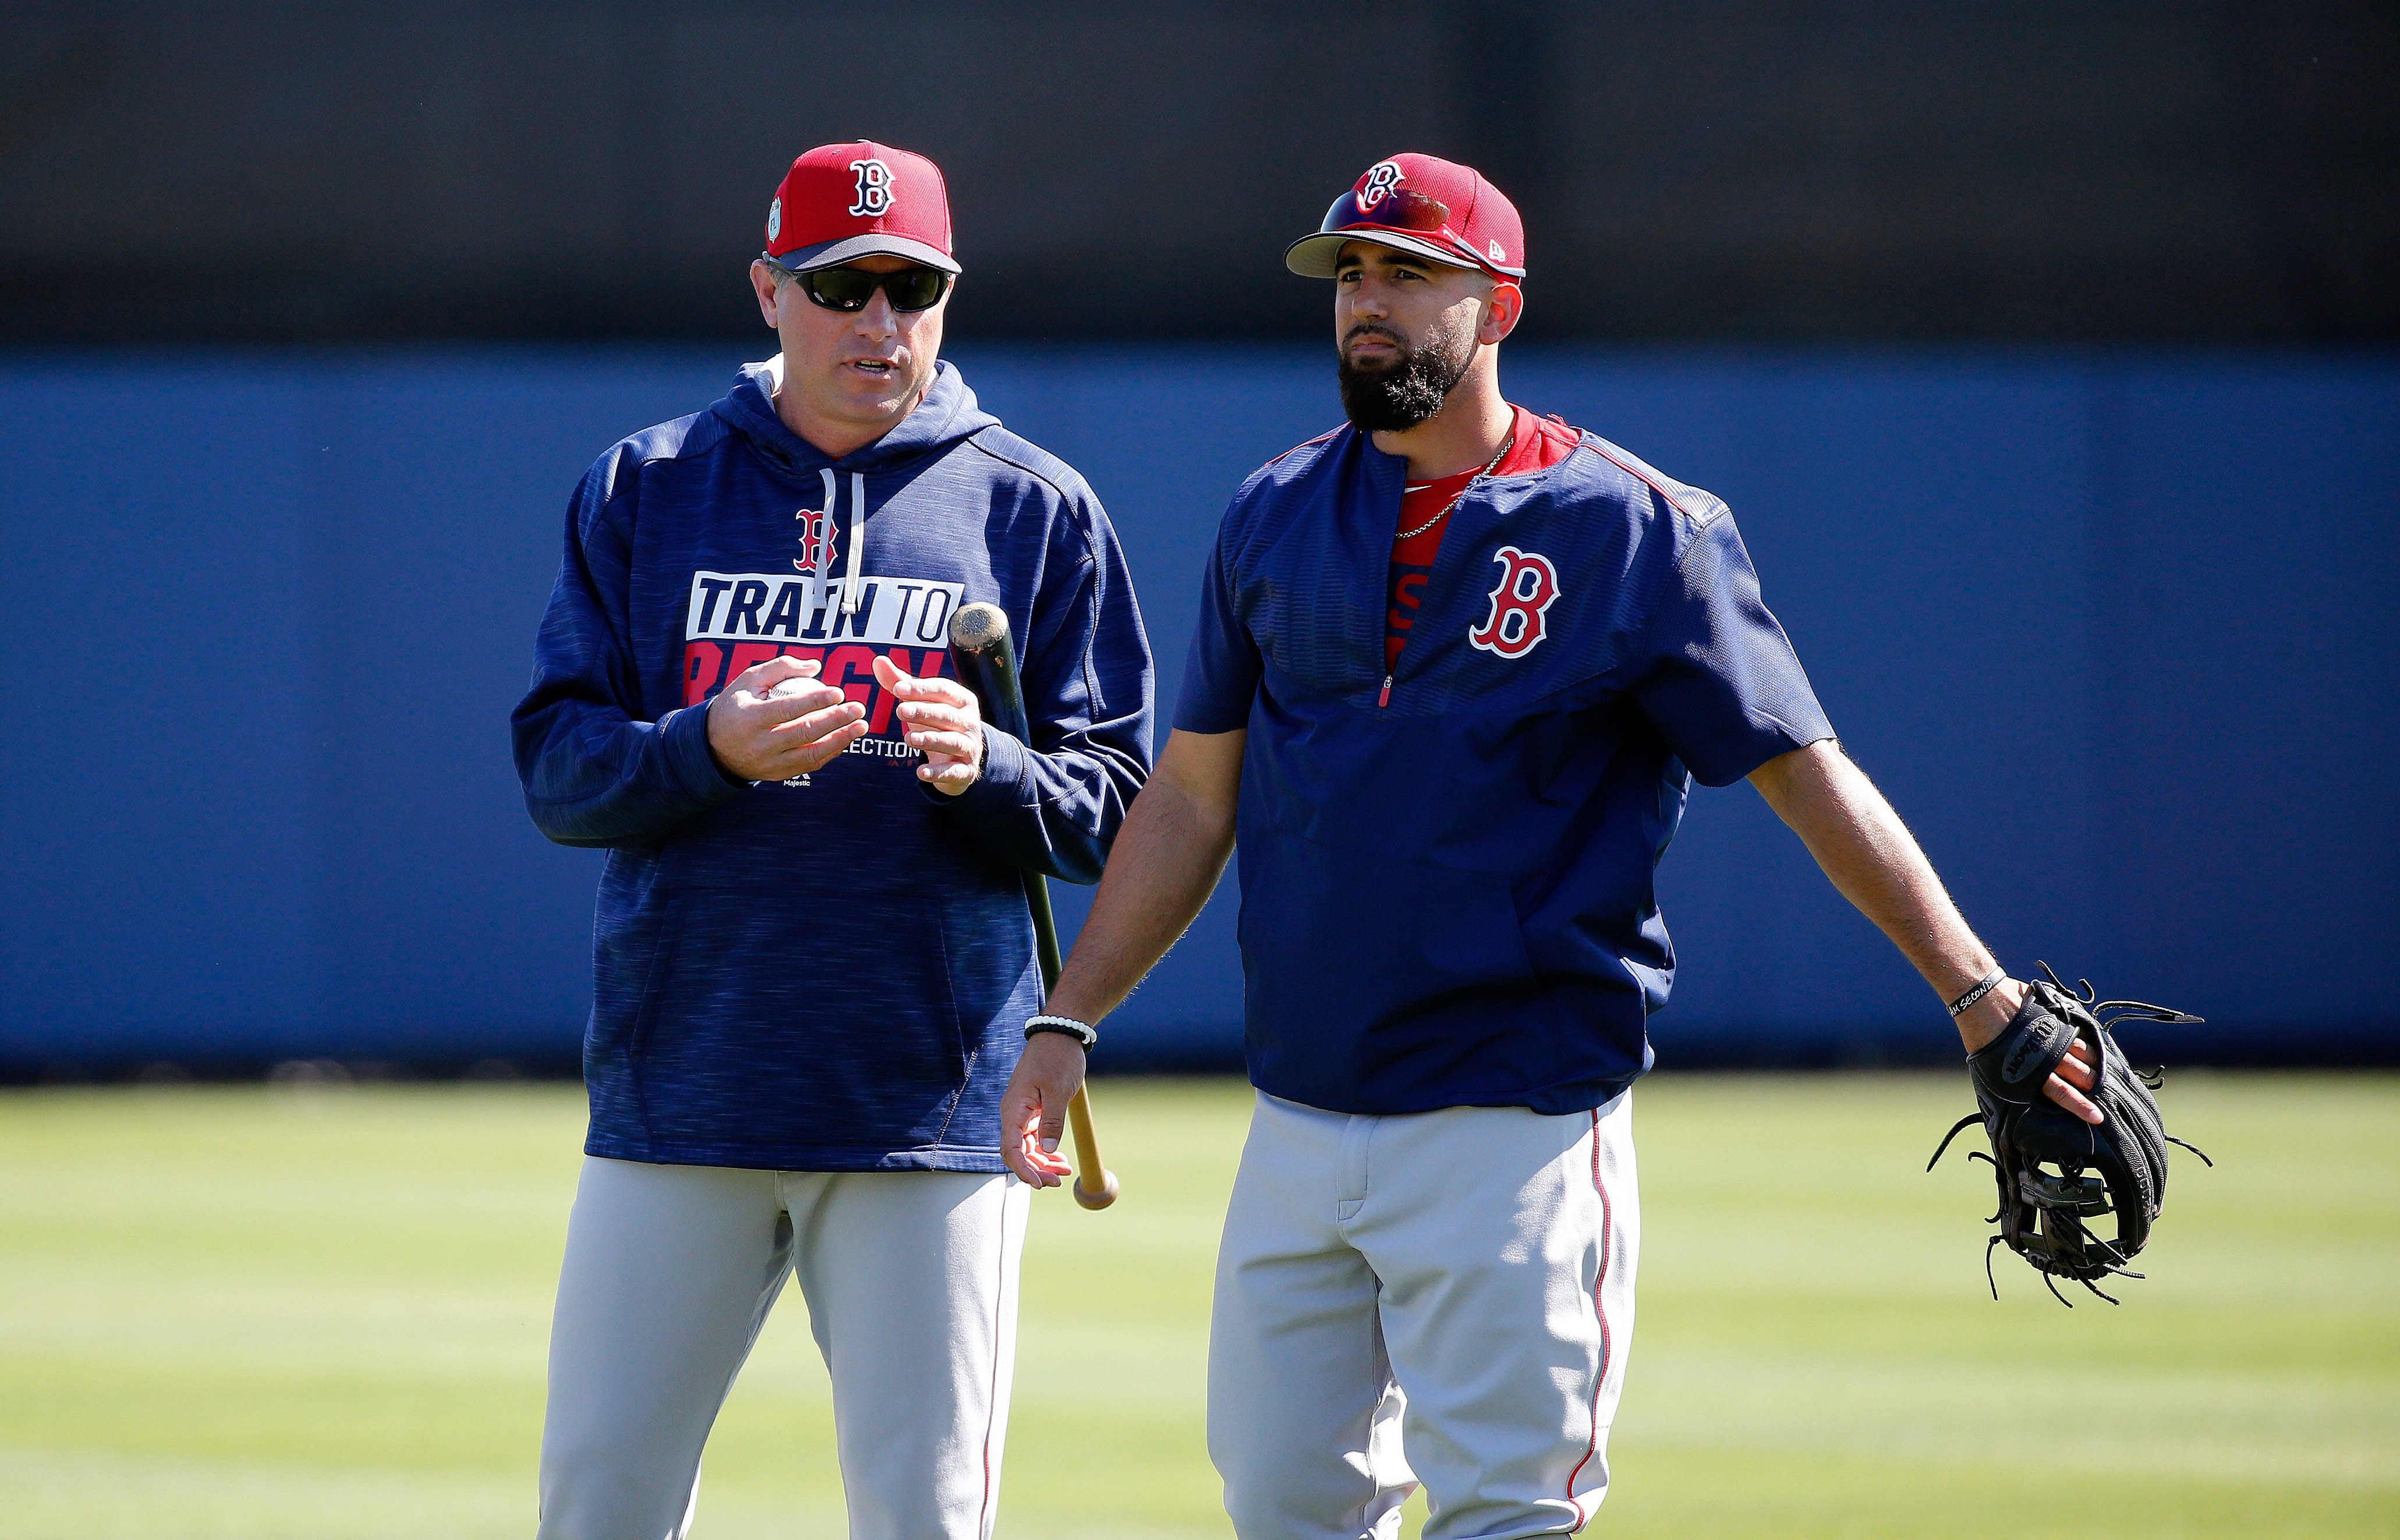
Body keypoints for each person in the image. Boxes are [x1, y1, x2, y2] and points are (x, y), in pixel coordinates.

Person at [998, 153, 2107, 1540]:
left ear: (1498, 305)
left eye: (1409, 272)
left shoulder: (1641, 531)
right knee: (1281, 1507)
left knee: (1508, 1516)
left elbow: (1807, 778)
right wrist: (1070, 1017)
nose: (1367, 303)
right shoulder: (1273, 510)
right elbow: (1189, 801)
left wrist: (1978, 992)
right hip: (1298, 1111)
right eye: (1350, 273)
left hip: (1512, 1125)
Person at [512, 140, 1152, 1540]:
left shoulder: (1031, 505)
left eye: (911, 290)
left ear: (947, 296)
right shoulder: (649, 486)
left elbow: (1120, 807)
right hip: (685, 1088)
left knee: (925, 1517)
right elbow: (560, 774)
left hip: (926, 1105)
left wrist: (994, 771)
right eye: (841, 285)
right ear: (769, 292)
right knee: (596, 1504)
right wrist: (704, 750)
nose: (879, 323)